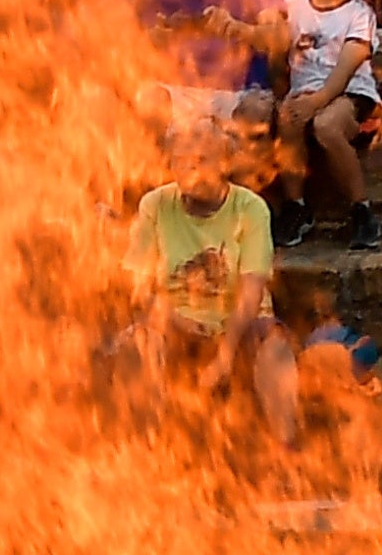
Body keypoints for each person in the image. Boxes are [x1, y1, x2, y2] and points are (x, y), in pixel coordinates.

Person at [125, 112, 295, 442]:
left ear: (225, 163)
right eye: (180, 160)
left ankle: (287, 455)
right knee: (139, 339)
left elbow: (252, 291)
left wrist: (225, 353)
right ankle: (146, 452)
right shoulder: (155, 205)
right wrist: (174, 321)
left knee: (274, 344)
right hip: (177, 325)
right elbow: (139, 288)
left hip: (237, 327)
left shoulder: (250, 208)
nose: (190, 169)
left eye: (202, 159)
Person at [269, 0, 382, 248]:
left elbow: (347, 67)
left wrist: (317, 101)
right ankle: (295, 207)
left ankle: (362, 210)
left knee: (326, 125)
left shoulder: (359, 13)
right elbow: (271, 38)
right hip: (302, 92)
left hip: (348, 93)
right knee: (287, 117)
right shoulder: (291, 3)